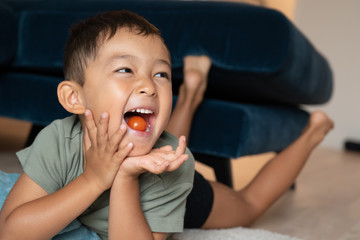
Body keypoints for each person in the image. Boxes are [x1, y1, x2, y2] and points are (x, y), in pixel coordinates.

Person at [0, 10, 334, 240]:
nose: (149, 85)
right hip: (135, 160)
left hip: (177, 187)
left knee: (246, 207)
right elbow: (11, 232)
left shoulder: (174, 165)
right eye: (126, 70)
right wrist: (93, 179)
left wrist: (126, 176)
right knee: (162, 133)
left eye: (161, 74)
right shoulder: (59, 139)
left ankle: (313, 132)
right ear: (75, 98)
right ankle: (193, 91)